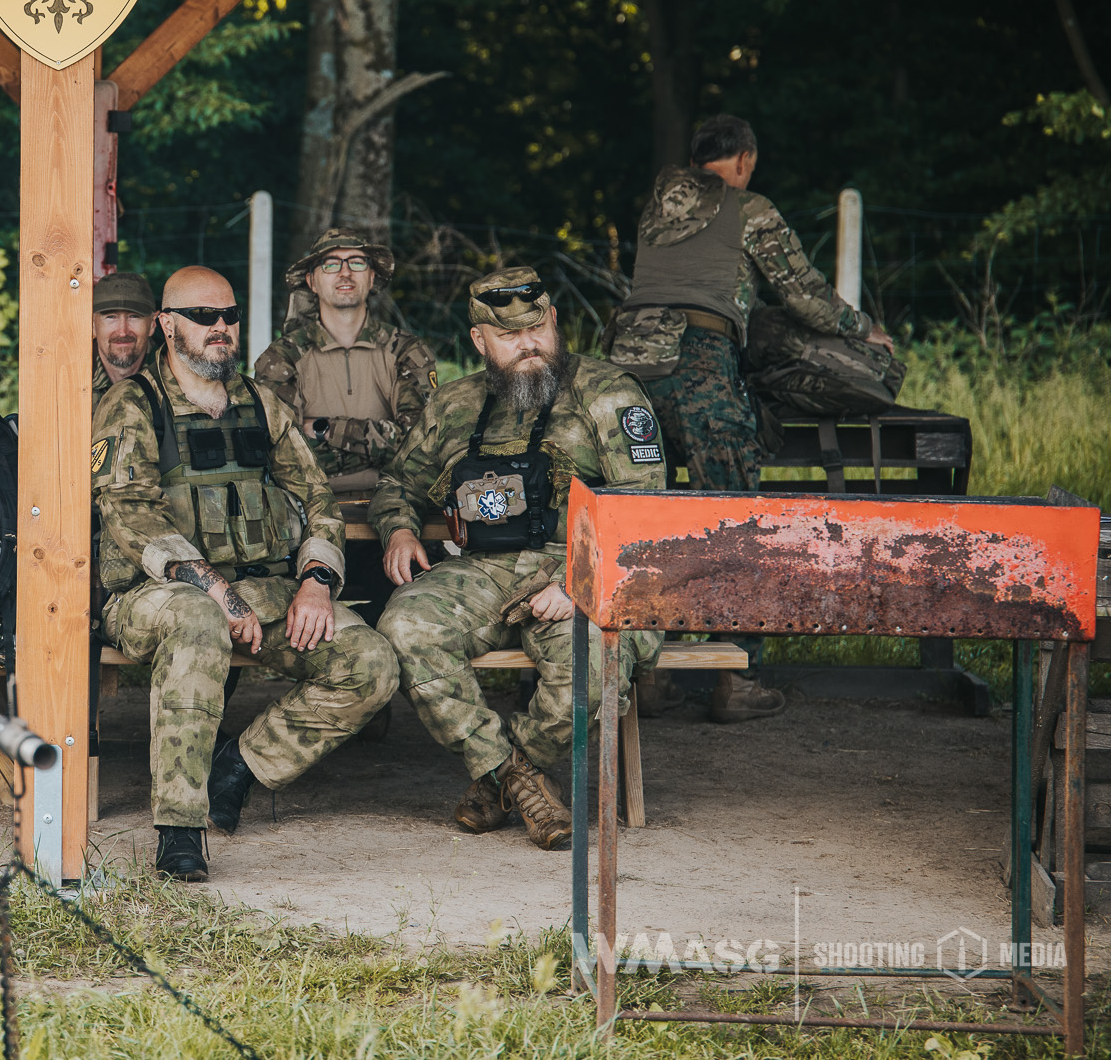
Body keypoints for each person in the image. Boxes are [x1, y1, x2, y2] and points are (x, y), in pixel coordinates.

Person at [93, 265, 399, 882]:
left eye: (229, 316)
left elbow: (317, 498)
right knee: (197, 620)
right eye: (203, 317)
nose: (220, 329)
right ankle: (180, 828)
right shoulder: (133, 405)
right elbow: (129, 513)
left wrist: (317, 580)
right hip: (156, 596)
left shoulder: (261, 404)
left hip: (264, 590)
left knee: (371, 664)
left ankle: (240, 766)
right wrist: (214, 588)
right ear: (167, 326)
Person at [604, 114, 892, 723]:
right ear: (742, 161)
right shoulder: (749, 208)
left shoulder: (655, 211)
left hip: (625, 374)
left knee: (644, 520)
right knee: (733, 518)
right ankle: (734, 676)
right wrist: (864, 331)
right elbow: (805, 293)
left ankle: (648, 676)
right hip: (700, 367)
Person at [372, 269, 664, 851]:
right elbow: (398, 481)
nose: (529, 344)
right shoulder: (455, 403)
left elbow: (646, 511)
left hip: (582, 570)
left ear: (554, 319)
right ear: (480, 342)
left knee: (588, 667)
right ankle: (519, 781)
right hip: (483, 570)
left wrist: (579, 580)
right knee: (403, 627)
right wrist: (400, 530)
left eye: (538, 327)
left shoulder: (609, 394)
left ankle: (499, 779)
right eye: (510, 336)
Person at [253, 229, 438, 496]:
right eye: (331, 264)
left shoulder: (407, 350)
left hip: (399, 501)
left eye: (357, 262)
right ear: (312, 281)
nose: (345, 272)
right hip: (309, 506)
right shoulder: (283, 357)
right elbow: (283, 454)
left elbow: (420, 445)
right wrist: (378, 445)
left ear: (371, 276)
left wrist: (324, 428)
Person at [92, 270, 155, 397]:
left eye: (134, 316)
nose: (122, 332)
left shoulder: (174, 374)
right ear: (92, 324)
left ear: (152, 324)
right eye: (111, 317)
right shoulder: (69, 376)